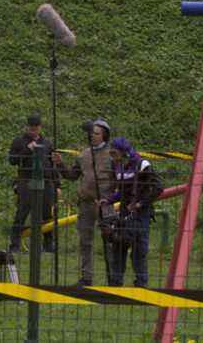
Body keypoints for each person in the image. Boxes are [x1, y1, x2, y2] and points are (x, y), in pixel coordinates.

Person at [53, 118, 114, 286]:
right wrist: (60, 165)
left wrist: (111, 197)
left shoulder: (112, 155)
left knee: (110, 241)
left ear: (104, 136)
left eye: (96, 133)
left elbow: (119, 179)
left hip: (105, 204)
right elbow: (72, 175)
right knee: (85, 241)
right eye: (91, 133)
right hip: (86, 204)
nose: (93, 136)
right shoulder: (84, 155)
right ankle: (86, 277)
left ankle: (113, 278)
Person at [102, 137, 162, 287]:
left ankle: (141, 284)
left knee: (138, 251)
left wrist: (140, 203)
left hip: (141, 214)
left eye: (114, 153)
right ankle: (116, 283)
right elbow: (122, 191)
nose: (112, 156)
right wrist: (108, 200)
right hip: (124, 212)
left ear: (124, 152)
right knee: (118, 246)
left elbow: (158, 188)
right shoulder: (118, 166)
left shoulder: (143, 165)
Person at [7, 114, 59, 253]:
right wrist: (27, 150)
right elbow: (12, 160)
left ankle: (48, 243)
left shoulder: (47, 143)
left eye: (36, 128)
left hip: (47, 181)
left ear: (40, 128)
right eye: (31, 128)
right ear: (26, 127)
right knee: (22, 212)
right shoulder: (19, 141)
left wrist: (57, 185)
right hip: (26, 180)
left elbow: (52, 164)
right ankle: (15, 244)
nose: (34, 131)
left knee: (47, 213)